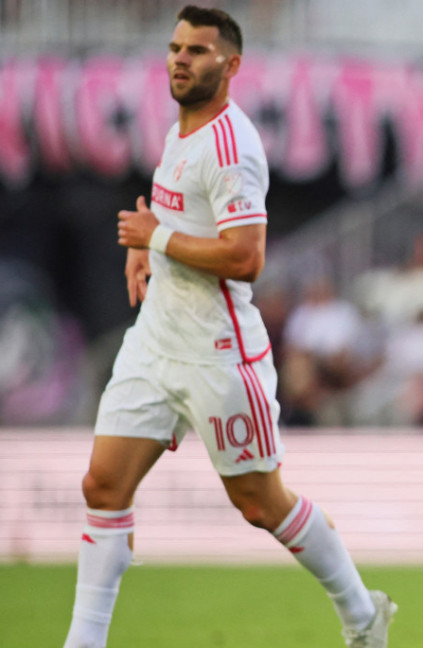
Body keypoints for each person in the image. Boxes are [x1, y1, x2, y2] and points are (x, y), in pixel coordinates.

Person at [63, 7, 395, 648]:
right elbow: (179, 214)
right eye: (175, 47)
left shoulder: (231, 146)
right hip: (156, 341)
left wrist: (157, 236)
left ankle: (362, 613)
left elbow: (245, 257)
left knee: (259, 502)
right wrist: (149, 246)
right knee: (102, 483)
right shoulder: (180, 130)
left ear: (231, 65)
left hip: (219, 352)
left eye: (198, 50)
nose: (181, 59)